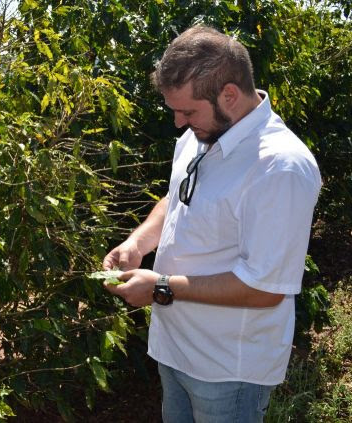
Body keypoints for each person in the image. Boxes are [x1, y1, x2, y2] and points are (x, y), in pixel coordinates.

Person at [103, 26, 321, 422]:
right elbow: (178, 198)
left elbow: (265, 287)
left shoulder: (280, 167)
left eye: (187, 111)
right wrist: (138, 244)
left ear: (229, 95)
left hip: (226, 369)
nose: (178, 123)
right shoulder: (200, 136)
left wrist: (161, 287)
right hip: (175, 350)